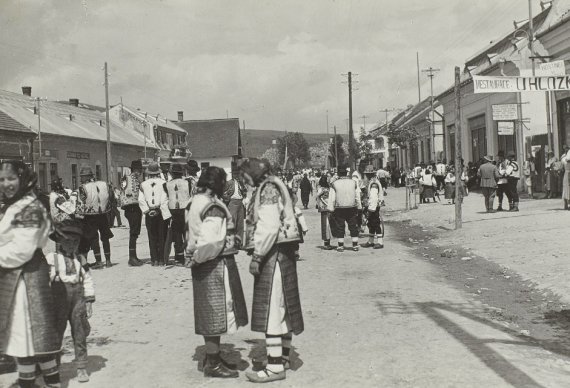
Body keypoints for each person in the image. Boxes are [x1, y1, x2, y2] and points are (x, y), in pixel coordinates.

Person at [240, 158, 304, 383]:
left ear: (254, 174)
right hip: (284, 253)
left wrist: (257, 256)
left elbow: (268, 227)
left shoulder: (267, 189)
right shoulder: (276, 184)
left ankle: (275, 367)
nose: (244, 180)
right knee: (283, 305)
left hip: (272, 254)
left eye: (245, 175)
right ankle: (284, 357)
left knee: (272, 310)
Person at [0, 160, 61, 388]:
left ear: (23, 179)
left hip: (26, 279)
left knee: (26, 338)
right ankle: (46, 382)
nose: (6, 184)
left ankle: (43, 384)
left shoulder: (30, 208)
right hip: (15, 277)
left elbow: (21, 251)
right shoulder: (14, 205)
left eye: (11, 178)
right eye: (2, 179)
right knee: (29, 340)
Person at [185, 166, 248, 379]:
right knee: (216, 312)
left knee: (209, 312)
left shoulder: (196, 201)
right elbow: (211, 240)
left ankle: (213, 357)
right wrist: (198, 258)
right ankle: (212, 363)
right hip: (214, 264)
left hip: (205, 261)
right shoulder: (212, 205)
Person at [46, 221, 95, 383]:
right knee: (56, 334)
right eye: (68, 241)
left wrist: (89, 300)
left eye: (75, 242)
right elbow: (45, 281)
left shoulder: (80, 259)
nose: (72, 245)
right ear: (59, 240)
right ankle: (53, 367)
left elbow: (87, 279)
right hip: (58, 300)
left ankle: (81, 367)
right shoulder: (51, 259)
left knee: (79, 333)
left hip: (77, 299)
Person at [75, 166, 114, 269]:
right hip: (103, 214)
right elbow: (111, 197)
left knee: (94, 238)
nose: (81, 179)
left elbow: (81, 204)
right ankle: (108, 260)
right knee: (105, 237)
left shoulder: (83, 188)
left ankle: (99, 261)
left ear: (86, 177)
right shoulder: (104, 184)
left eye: (82, 176)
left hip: (90, 216)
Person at [139, 162, 171, 266]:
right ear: (158, 172)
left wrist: (148, 210)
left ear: (148, 172)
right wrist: (159, 209)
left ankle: (154, 259)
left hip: (149, 213)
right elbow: (165, 198)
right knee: (162, 235)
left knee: (152, 236)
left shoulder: (143, 184)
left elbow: (141, 200)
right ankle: (161, 259)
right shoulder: (163, 183)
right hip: (161, 212)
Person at [327, 165, 362, 252]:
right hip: (352, 207)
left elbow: (332, 198)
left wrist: (330, 209)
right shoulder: (353, 182)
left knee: (340, 226)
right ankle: (355, 245)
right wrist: (359, 207)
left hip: (340, 208)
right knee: (353, 226)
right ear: (347, 173)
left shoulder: (334, 184)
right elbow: (357, 196)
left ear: (338, 174)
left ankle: (340, 246)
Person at [165, 162, 193, 264]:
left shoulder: (167, 184)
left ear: (172, 173)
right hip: (185, 210)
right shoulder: (188, 182)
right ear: (181, 173)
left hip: (173, 211)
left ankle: (179, 258)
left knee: (177, 235)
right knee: (187, 234)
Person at [119, 160, 144, 267]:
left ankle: (134, 255)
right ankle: (131, 257)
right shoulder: (126, 178)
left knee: (136, 232)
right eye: (139, 170)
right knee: (133, 232)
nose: (140, 172)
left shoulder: (136, 180)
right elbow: (124, 191)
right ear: (134, 170)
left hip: (136, 207)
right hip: (130, 207)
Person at [362, 165, 384, 249]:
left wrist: (370, 210)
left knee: (375, 223)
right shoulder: (372, 181)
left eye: (367, 174)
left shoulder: (374, 183)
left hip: (373, 207)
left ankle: (380, 242)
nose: (366, 176)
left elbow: (374, 198)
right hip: (372, 206)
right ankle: (371, 241)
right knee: (371, 224)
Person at [561, 145, 570, 210]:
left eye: (567, 148)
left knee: (567, 188)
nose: (566, 150)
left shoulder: (566, 156)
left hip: (567, 173)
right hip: (566, 173)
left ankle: (567, 204)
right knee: (566, 188)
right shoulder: (563, 157)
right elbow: (562, 167)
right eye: (565, 149)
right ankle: (566, 204)